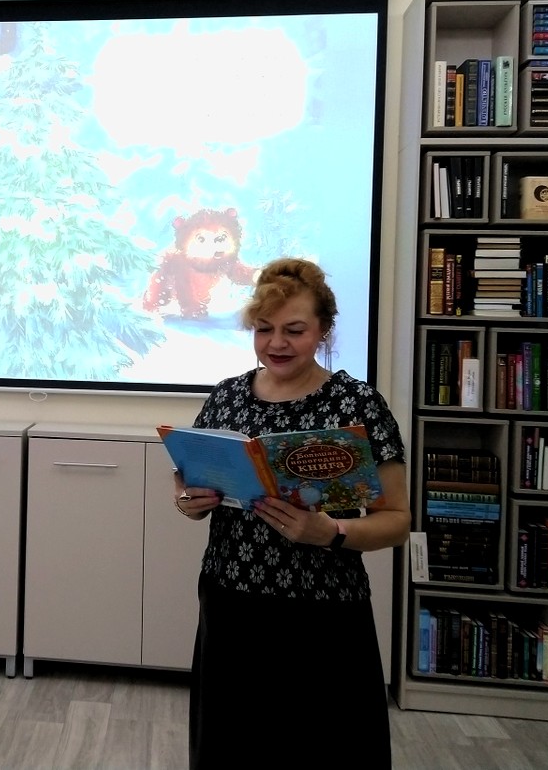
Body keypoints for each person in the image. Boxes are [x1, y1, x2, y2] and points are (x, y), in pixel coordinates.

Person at [173, 257, 410, 769]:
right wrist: (189, 501)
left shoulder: (357, 405)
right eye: (264, 329)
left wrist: (332, 532)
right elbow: (189, 482)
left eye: (294, 330)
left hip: (324, 612)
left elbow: (397, 520)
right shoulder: (227, 397)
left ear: (324, 330)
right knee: (230, 748)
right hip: (231, 602)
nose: (276, 343)